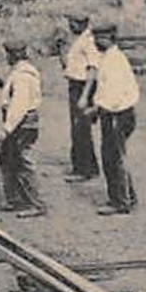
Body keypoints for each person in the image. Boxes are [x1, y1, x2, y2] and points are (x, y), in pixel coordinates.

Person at [79, 21, 139, 215]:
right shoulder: (108, 57)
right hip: (115, 113)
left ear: (109, 38)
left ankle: (120, 202)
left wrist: (95, 110)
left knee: (112, 158)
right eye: (95, 37)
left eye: (99, 38)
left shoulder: (114, 61)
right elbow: (106, 92)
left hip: (117, 115)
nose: (96, 41)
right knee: (116, 156)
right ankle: (128, 196)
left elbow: (112, 98)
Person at [0, 35, 44, 217]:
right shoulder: (21, 71)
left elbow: (19, 105)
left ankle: (35, 204)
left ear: (13, 55)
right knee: (7, 158)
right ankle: (15, 199)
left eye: (8, 54)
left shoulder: (23, 76)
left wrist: (6, 130)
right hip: (22, 123)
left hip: (22, 125)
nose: (7, 58)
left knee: (23, 161)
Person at [58, 12, 100, 181]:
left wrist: (85, 96)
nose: (70, 26)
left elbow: (93, 69)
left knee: (80, 128)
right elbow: (68, 65)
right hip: (75, 85)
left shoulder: (89, 42)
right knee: (78, 128)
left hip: (83, 87)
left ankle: (83, 170)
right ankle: (90, 165)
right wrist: (60, 49)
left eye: (72, 23)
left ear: (82, 23)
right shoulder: (79, 39)